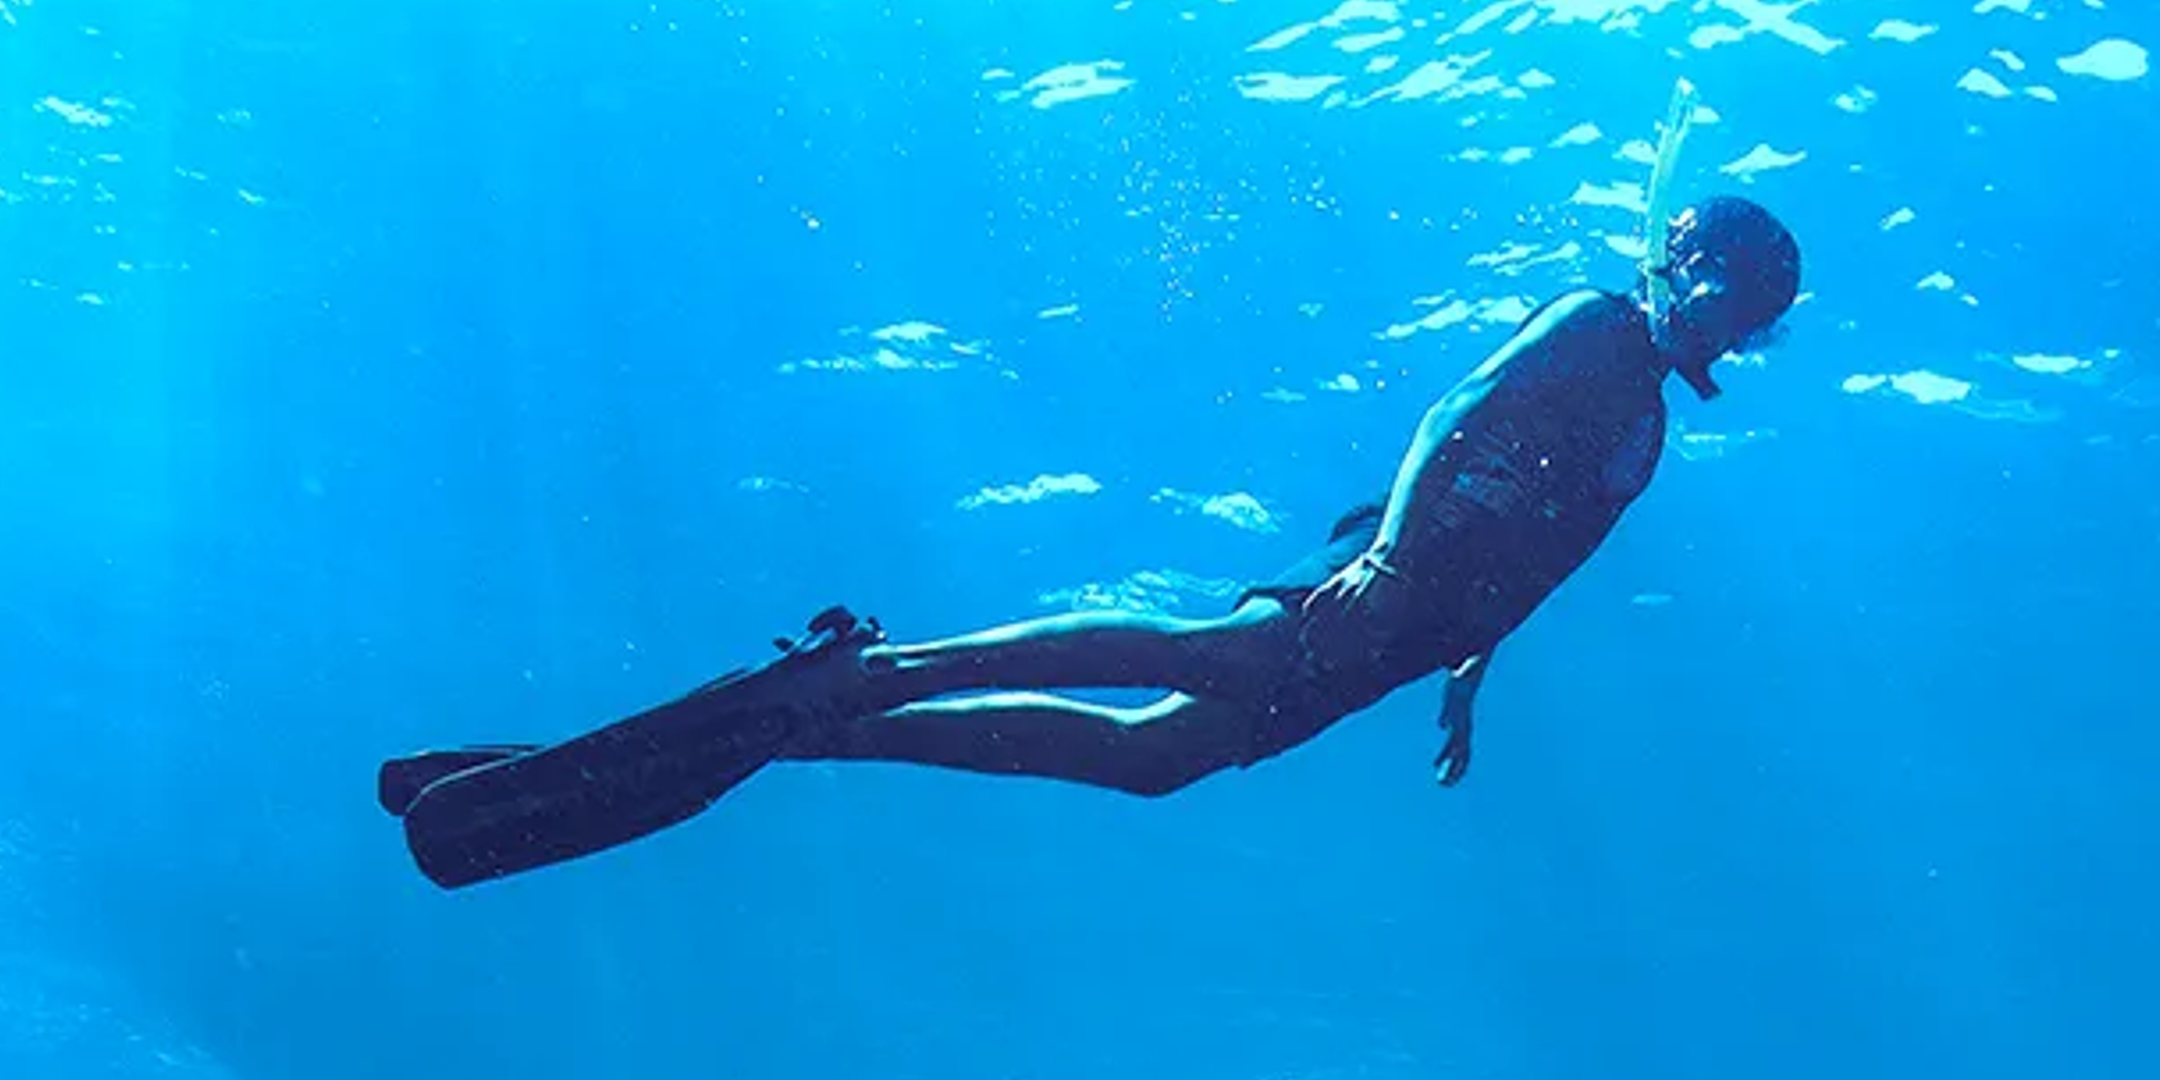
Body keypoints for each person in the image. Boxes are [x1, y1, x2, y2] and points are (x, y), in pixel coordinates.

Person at [382, 185, 1804, 890]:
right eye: (1725, 289)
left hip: (1414, 640)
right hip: (1380, 591)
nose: (1724, 319)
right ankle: (877, 674)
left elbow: (1549, 559)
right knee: (1196, 653)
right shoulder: (1596, 324)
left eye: (1747, 314)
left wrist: (1469, 672)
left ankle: (841, 721)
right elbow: (1454, 411)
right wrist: (1387, 562)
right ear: (1688, 266)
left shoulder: (1649, 427)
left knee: (1153, 764)